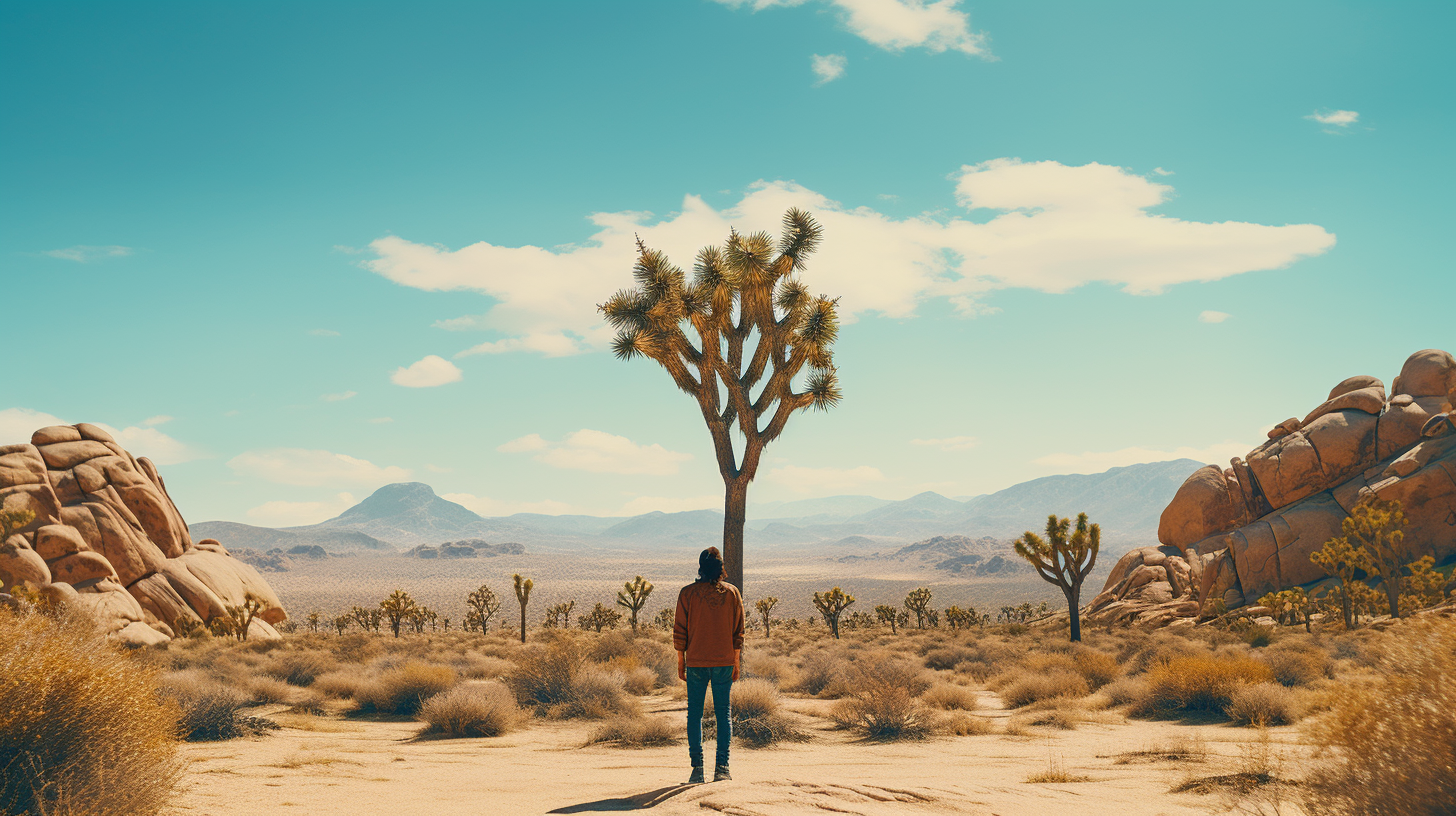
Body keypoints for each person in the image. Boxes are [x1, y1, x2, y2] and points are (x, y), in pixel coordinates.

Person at [673, 546, 744, 784]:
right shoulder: (732, 593)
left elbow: (680, 630)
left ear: (701, 568)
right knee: (723, 713)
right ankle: (722, 768)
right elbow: (738, 631)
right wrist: (735, 660)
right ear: (721, 568)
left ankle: (697, 769)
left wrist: (681, 660)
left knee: (695, 715)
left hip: (696, 661)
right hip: (724, 660)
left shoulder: (687, 594)